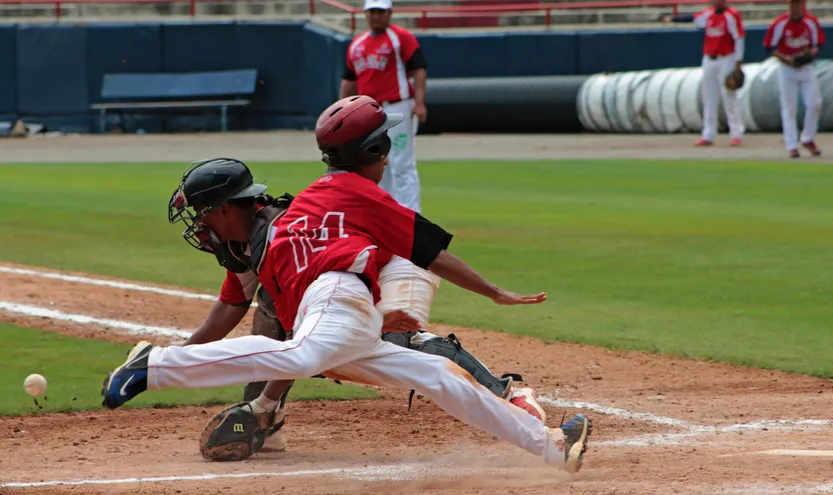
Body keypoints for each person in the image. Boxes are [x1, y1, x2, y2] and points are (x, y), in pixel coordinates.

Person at [101, 95, 591, 474]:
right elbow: (427, 253)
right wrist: (490, 293)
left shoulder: (310, 207)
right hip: (337, 294)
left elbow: (425, 254)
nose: (388, 155)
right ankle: (157, 364)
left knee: (426, 374)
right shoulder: (303, 217)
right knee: (308, 355)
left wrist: (488, 292)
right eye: (385, 145)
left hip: (341, 292)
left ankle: (553, 447)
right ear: (373, 150)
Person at [171, 168, 546, 455]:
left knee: (391, 340)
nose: (199, 229)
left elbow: (297, 338)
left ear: (224, 210)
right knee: (286, 323)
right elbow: (228, 308)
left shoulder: (277, 241)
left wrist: (263, 403)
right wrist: (171, 361)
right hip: (345, 282)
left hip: (393, 264)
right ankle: (269, 420)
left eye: (201, 217)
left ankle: (508, 396)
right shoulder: (244, 244)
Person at [340, 0, 426, 212]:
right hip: (368, 111)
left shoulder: (401, 38)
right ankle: (386, 211)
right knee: (376, 163)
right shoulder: (357, 44)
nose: (376, 16)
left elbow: (418, 69)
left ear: (389, 13)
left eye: (380, 11)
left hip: (398, 107)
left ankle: (410, 214)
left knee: (401, 164)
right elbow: (349, 80)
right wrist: (341, 110)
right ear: (365, 14)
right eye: (372, 11)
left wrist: (420, 102)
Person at [666, 0, 746, 147]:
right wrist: (674, 18)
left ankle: (736, 134)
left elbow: (739, 38)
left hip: (726, 58)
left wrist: (738, 63)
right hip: (709, 58)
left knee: (729, 97)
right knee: (709, 98)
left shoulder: (732, 15)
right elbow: (693, 18)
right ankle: (708, 134)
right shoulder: (708, 14)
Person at [763, 0, 825, 159]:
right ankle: (791, 146)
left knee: (814, 103)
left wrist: (809, 54)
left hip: (806, 69)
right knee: (789, 108)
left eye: (798, 5)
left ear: (803, 6)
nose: (795, 8)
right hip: (787, 69)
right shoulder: (780, 23)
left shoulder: (811, 22)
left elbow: (818, 44)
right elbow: (769, 47)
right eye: (792, 5)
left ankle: (807, 138)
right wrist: (786, 59)